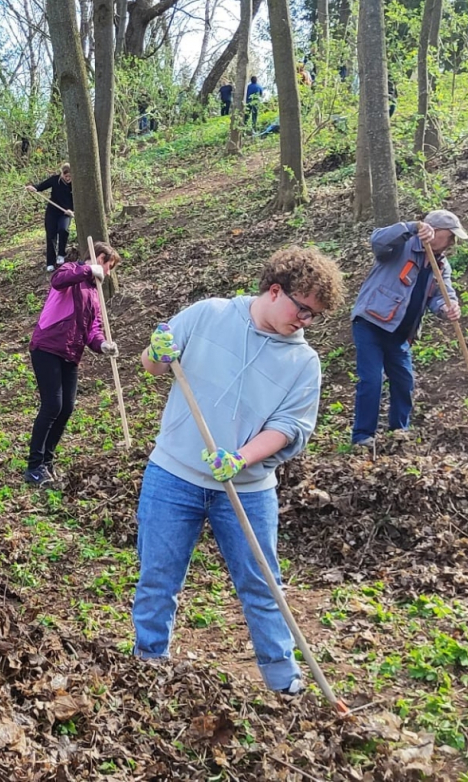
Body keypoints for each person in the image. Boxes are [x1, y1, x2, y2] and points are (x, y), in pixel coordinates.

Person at [131, 247, 346, 695]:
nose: (306, 322)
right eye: (302, 309)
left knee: (263, 585)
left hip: (247, 490)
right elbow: (154, 365)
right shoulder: (209, 315)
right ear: (275, 290)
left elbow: (290, 428)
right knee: (158, 578)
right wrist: (156, 350)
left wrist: (241, 458)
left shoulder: (303, 363)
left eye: (314, 316)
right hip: (173, 476)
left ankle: (283, 680)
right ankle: (148, 667)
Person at [349, 210, 467, 448]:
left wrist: (448, 307)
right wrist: (412, 227)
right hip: (371, 322)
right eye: (450, 236)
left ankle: (399, 432)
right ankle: (362, 436)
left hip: (400, 333)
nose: (452, 242)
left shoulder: (441, 265)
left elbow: (441, 295)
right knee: (371, 380)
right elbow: (377, 240)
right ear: (434, 231)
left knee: (404, 381)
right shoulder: (402, 244)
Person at [23, 245, 122, 485]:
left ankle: (47, 461)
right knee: (52, 405)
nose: (108, 273)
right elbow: (58, 280)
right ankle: (34, 467)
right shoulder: (71, 270)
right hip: (48, 346)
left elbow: (93, 329)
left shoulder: (94, 292)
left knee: (66, 407)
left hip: (70, 353)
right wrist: (89, 270)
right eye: (108, 267)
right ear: (100, 258)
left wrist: (102, 345)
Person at [24, 163, 74, 272]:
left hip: (66, 213)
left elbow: (77, 200)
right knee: (51, 234)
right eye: (66, 176)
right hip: (52, 212)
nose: (68, 178)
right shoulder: (55, 180)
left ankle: (61, 254)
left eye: (70, 176)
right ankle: (50, 262)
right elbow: (41, 186)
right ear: (62, 174)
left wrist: (72, 210)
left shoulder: (75, 184)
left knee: (63, 230)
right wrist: (34, 187)